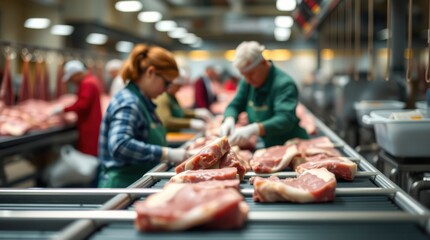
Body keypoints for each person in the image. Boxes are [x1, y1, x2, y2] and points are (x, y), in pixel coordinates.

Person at [98, 44, 189, 188]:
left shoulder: (143, 101)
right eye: (166, 83)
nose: (166, 90)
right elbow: (120, 145)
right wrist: (165, 153)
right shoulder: (129, 102)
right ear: (150, 72)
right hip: (122, 187)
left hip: (136, 183)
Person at [219, 41, 308, 147]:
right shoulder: (248, 81)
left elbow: (285, 119)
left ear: (263, 62)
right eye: (243, 75)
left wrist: (254, 129)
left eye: (251, 74)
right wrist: (229, 119)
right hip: (268, 145)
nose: (248, 80)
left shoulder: (284, 84)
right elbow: (236, 104)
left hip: (290, 144)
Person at [50, 60, 102, 157]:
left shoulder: (87, 83)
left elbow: (82, 105)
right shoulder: (91, 80)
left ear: (77, 74)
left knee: (89, 155)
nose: (72, 81)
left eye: (71, 78)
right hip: (91, 123)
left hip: (89, 125)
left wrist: (63, 109)